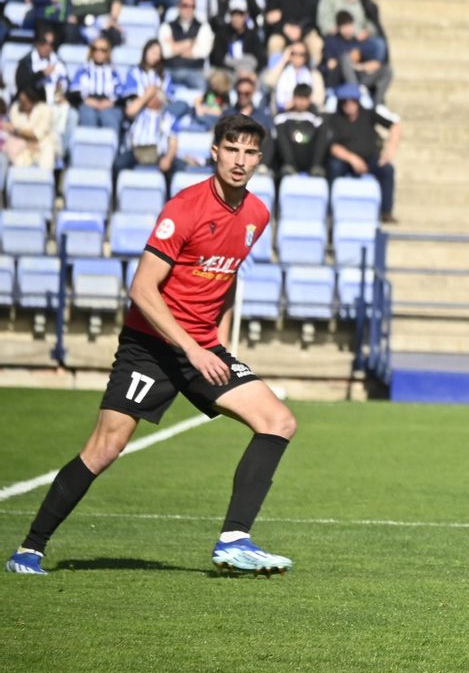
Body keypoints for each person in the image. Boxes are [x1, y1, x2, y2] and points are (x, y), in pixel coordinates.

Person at [7, 116, 297, 578]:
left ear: (259, 159)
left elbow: (225, 277)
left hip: (201, 347)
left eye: (249, 152)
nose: (240, 160)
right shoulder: (184, 208)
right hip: (150, 346)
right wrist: (194, 348)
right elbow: (142, 289)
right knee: (104, 448)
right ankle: (30, 549)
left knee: (278, 421)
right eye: (232, 149)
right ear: (214, 151)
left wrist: (214, 340)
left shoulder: (257, 215)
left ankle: (234, 541)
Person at [325, 84, 401, 222]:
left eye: (353, 100)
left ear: (358, 101)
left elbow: (395, 125)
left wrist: (390, 151)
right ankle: (331, 212)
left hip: (370, 158)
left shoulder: (369, 114)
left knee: (387, 169)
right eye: (345, 101)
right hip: (346, 160)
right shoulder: (335, 119)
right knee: (333, 167)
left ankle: (386, 212)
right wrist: (352, 159)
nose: (349, 104)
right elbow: (333, 146)